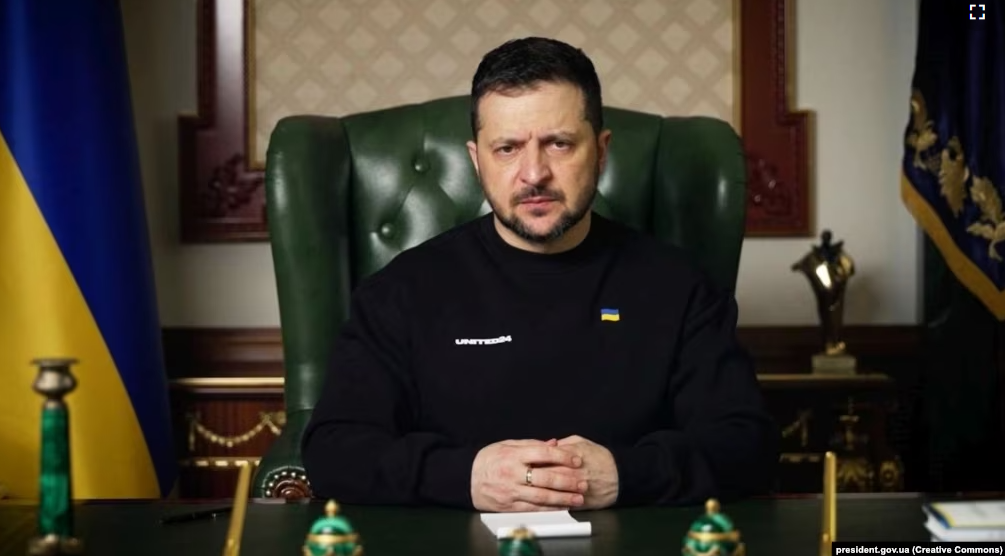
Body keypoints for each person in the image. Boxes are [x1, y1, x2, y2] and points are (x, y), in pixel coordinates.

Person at [301, 36, 779, 512]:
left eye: (559, 144)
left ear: (601, 151)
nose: (534, 174)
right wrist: (467, 477)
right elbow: (332, 451)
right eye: (507, 148)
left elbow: (747, 444)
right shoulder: (402, 291)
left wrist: (624, 474)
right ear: (476, 161)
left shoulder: (679, 287)